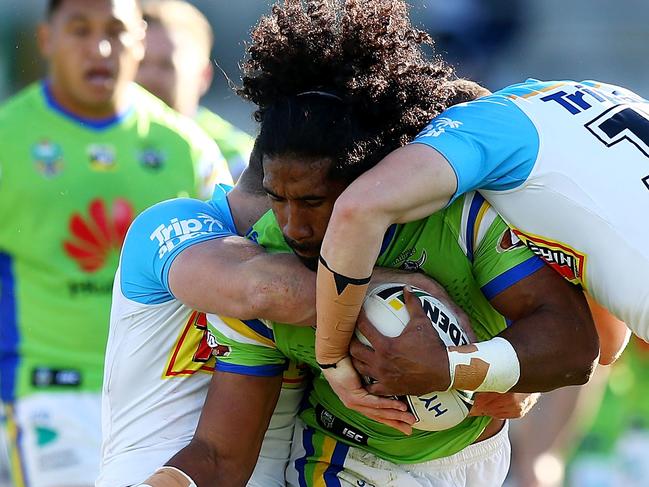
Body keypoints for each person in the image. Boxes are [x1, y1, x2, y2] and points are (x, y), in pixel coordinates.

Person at [134, 2, 599, 485]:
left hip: (480, 461)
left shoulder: (455, 219)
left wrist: (456, 368)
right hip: (344, 462)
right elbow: (219, 455)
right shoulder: (266, 264)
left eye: (315, 202)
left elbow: (578, 346)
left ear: (370, 181)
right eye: (278, 198)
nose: (293, 225)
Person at [0, 0, 231, 486]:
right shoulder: (7, 138)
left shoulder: (186, 146)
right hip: (50, 394)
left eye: (116, 31)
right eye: (80, 30)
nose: (100, 48)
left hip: (164, 398)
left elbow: (235, 266)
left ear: (140, 39)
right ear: (47, 40)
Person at [136, 0, 254, 181]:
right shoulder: (102, 140)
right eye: (140, 63)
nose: (150, 76)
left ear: (203, 76)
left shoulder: (240, 165)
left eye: (166, 65)